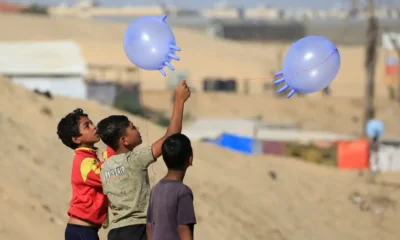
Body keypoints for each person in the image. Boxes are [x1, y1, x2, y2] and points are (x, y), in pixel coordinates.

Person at [97, 80, 191, 240]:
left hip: (115, 233)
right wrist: (179, 101)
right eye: (133, 128)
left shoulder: (105, 167)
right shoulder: (134, 159)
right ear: (123, 140)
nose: (138, 129)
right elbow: (171, 137)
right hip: (139, 230)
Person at [57, 108, 111, 240]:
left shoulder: (90, 157)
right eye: (87, 126)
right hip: (81, 231)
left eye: (91, 123)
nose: (94, 127)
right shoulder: (83, 161)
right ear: (76, 139)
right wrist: (112, 149)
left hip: (87, 230)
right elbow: (103, 175)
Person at [146, 133, 196, 240]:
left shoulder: (155, 189)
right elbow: (184, 230)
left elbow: (149, 227)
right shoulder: (183, 192)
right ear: (190, 159)